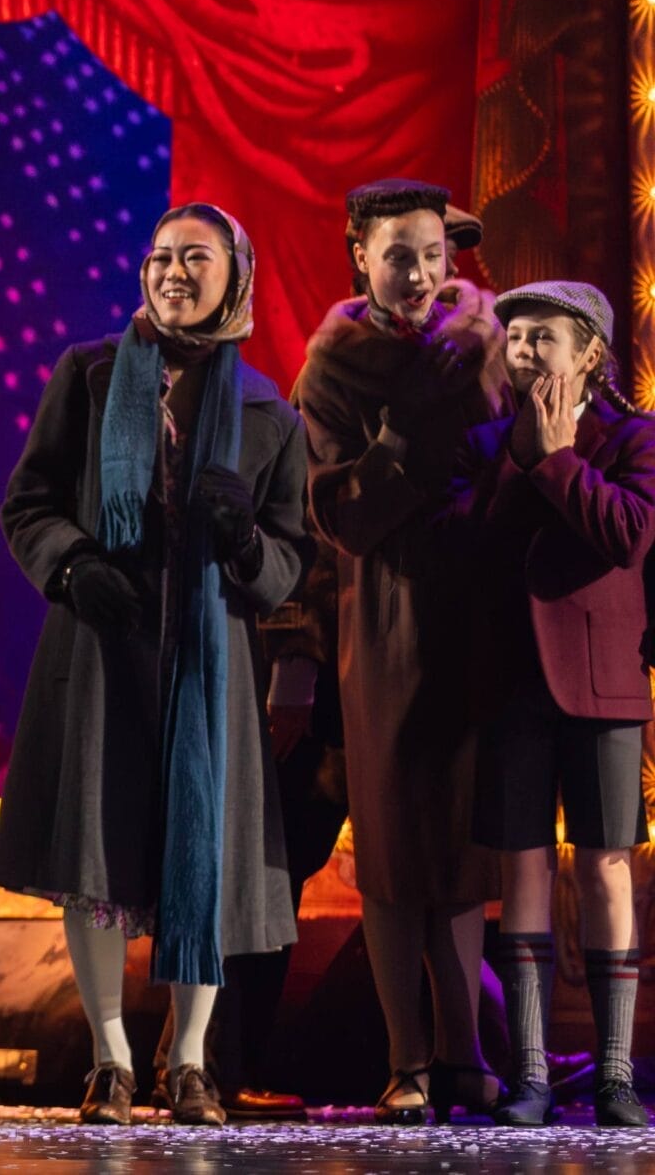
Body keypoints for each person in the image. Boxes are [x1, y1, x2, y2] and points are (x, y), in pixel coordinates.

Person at [0, 204, 312, 1127]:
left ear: (234, 275)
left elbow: (289, 563)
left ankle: (193, 1063)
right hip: (100, 652)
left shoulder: (267, 414)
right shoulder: (90, 376)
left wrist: (245, 539)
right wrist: (73, 562)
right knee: (97, 854)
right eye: (161, 256)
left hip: (209, 666)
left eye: (195, 258)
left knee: (198, 855)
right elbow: (29, 502)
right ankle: (111, 1060)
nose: (173, 271)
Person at [291, 179, 510, 1123]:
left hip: (474, 609)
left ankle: (466, 1054)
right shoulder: (330, 369)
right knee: (386, 846)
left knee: (464, 841)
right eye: (395, 254)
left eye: (430, 253)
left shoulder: (490, 342)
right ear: (360, 257)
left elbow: (515, 465)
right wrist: (392, 463)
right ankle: (407, 1061)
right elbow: (340, 514)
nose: (417, 272)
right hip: (380, 617)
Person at [449, 281, 650, 1128]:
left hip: (602, 682)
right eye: (516, 335)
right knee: (521, 866)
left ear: (592, 354)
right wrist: (524, 457)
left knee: (606, 863)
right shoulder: (486, 442)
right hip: (512, 682)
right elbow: (470, 550)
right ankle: (529, 1073)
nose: (524, 349)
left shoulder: (635, 438)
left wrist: (561, 459)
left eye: (544, 337)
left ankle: (613, 1073)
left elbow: (627, 535)